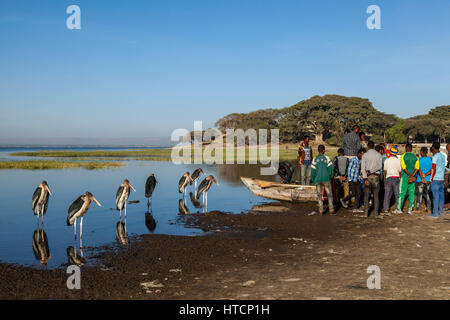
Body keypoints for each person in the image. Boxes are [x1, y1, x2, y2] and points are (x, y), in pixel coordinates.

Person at [361, 141, 383, 217]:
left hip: (368, 177)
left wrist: (365, 178)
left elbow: (363, 168)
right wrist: (372, 171)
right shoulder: (379, 155)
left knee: (366, 196)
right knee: (376, 196)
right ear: (374, 146)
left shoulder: (365, 155)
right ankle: (376, 214)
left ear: (367, 146)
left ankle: (366, 213)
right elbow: (380, 166)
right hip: (376, 177)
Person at [311, 145, 334, 215]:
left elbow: (313, 171)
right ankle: (331, 210)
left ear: (318, 150)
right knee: (329, 194)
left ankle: (321, 210)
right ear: (323, 150)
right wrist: (330, 177)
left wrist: (313, 179)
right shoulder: (327, 158)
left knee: (319, 195)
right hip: (326, 178)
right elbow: (330, 169)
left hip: (317, 179)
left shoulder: (314, 159)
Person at [340, 148, 365, 212]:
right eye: (362, 154)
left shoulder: (361, 161)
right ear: (359, 154)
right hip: (352, 179)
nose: (363, 155)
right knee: (354, 193)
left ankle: (355, 208)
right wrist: (350, 179)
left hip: (358, 179)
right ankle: (344, 200)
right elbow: (349, 169)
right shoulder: (353, 160)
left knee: (359, 193)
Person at [396, 143, 419, 214]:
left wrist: (409, 175)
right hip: (413, 177)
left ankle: (399, 209)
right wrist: (412, 176)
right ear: (411, 149)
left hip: (405, 177)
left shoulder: (403, 156)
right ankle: (410, 209)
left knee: (402, 193)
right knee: (411, 193)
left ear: (406, 149)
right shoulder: (416, 157)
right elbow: (417, 168)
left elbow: (404, 167)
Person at [383, 146, 402, 214]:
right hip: (396, 178)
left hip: (388, 177)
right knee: (397, 194)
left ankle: (386, 208)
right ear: (396, 153)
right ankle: (398, 208)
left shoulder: (387, 160)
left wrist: (385, 179)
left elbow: (385, 170)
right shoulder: (398, 160)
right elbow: (400, 171)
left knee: (387, 194)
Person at [429, 142, 446, 217]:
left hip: (435, 179)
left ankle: (435, 213)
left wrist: (431, 179)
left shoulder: (435, 157)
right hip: (441, 179)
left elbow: (433, 169)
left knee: (435, 196)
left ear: (433, 148)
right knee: (441, 195)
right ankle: (441, 212)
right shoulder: (443, 156)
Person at [415, 147, 432, 213]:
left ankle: (418, 209)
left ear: (421, 152)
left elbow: (418, 169)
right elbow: (432, 170)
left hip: (420, 180)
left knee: (419, 194)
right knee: (428, 195)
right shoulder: (430, 159)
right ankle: (429, 209)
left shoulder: (419, 160)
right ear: (427, 152)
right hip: (428, 179)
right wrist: (425, 175)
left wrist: (422, 177)